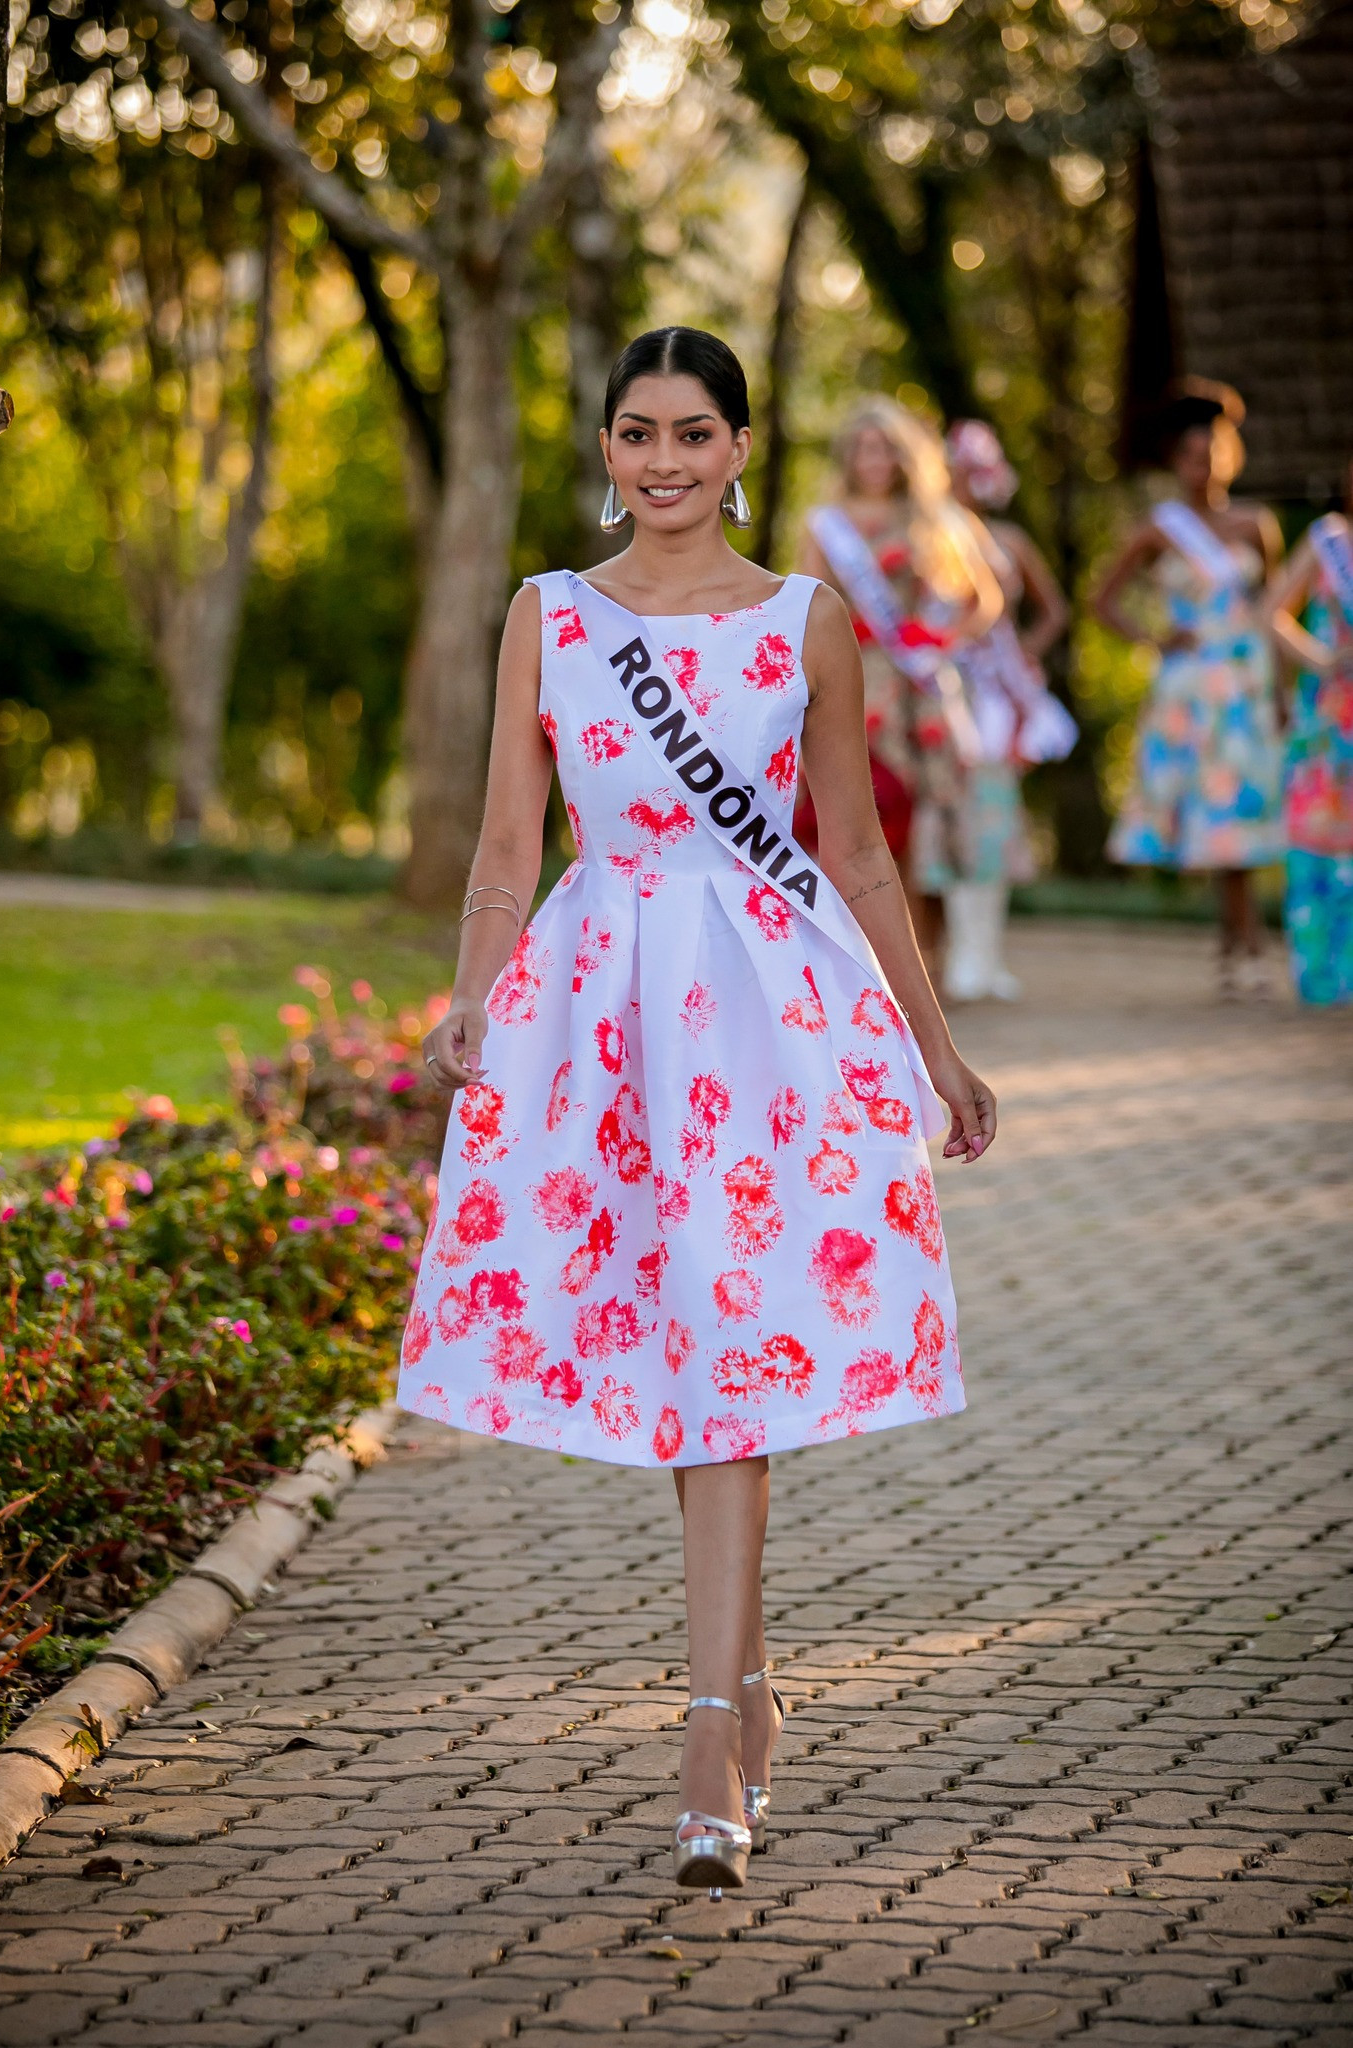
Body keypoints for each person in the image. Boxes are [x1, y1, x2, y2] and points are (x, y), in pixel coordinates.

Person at [399, 328, 997, 1898]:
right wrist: (473, 994)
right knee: (685, 1358)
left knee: (735, 1356)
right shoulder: (549, 617)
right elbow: (508, 852)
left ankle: (711, 1723)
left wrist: (934, 1050)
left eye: (693, 434)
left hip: (768, 1020)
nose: (662, 462)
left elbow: (857, 856)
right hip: (600, 1017)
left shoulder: (808, 622)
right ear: (607, 451)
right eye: (634, 434)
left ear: (741, 449)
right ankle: (740, 1691)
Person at [1093, 382, 1285, 998]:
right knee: (1213, 818)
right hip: (1190, 691)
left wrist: (1280, 690)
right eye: (1190, 456)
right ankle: (1241, 947)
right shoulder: (1159, 529)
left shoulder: (1257, 525)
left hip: (1244, 685)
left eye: (1214, 455)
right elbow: (1102, 599)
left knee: (1243, 813)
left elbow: (1273, 613)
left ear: (1231, 457)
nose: (1202, 468)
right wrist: (1153, 637)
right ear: (1176, 462)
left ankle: (1241, 945)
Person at [796, 398, 1003, 960]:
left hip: (917, 692)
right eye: (865, 448)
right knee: (853, 823)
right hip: (856, 686)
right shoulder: (827, 523)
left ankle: (923, 967)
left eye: (887, 447)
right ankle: (852, 964)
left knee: (918, 831)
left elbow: (984, 600)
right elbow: (806, 605)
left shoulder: (935, 519)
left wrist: (940, 642)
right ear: (848, 457)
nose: (876, 459)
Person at [942, 419, 1077, 1002]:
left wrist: (1026, 654)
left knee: (994, 821)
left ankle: (988, 955)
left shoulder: (1011, 542)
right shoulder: (934, 537)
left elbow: (1056, 611)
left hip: (1000, 699)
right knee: (952, 819)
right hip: (950, 691)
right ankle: (959, 958)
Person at [1267, 458, 1353, 1005]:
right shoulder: (1330, 541)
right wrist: (1321, 659)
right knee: (1319, 841)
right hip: (1329, 724)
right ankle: (1320, 978)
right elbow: (1271, 612)